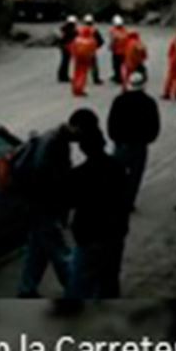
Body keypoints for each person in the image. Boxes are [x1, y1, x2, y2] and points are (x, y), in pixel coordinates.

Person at [13, 112, 89, 297]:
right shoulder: (56, 143)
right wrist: (62, 200)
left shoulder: (52, 137)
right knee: (60, 251)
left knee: (37, 250)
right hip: (44, 206)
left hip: (35, 204)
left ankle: (26, 288)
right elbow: (47, 176)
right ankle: (75, 288)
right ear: (75, 127)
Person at [65, 125, 132, 299]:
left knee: (80, 284)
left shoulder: (79, 174)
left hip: (90, 235)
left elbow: (69, 201)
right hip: (114, 233)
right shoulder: (117, 167)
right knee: (109, 280)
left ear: (82, 148)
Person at [106, 67, 160, 208]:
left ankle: (116, 199)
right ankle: (128, 202)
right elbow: (154, 124)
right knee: (135, 176)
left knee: (117, 173)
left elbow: (112, 121)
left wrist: (114, 137)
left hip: (121, 143)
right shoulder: (149, 102)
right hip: (139, 144)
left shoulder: (119, 100)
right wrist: (149, 138)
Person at [68, 23, 100, 98]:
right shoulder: (92, 40)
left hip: (77, 59)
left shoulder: (77, 39)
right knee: (83, 74)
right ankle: (80, 89)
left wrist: (74, 56)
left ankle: (75, 89)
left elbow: (71, 48)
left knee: (76, 73)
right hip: (86, 59)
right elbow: (93, 51)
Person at [80, 16, 103, 84]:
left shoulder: (80, 30)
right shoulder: (94, 30)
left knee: (82, 66)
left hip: (82, 50)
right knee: (94, 65)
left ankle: (81, 79)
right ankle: (96, 79)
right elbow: (101, 41)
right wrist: (95, 47)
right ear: (92, 22)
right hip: (91, 51)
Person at [108, 16, 130, 85]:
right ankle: (120, 76)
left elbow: (113, 41)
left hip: (117, 51)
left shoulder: (113, 31)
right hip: (124, 51)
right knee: (122, 65)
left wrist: (110, 47)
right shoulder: (125, 31)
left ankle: (118, 78)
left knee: (116, 65)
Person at [56, 15, 78, 84]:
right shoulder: (71, 30)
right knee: (66, 61)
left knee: (64, 61)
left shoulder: (63, 28)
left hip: (63, 46)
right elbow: (74, 37)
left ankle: (61, 76)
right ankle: (64, 76)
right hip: (67, 46)